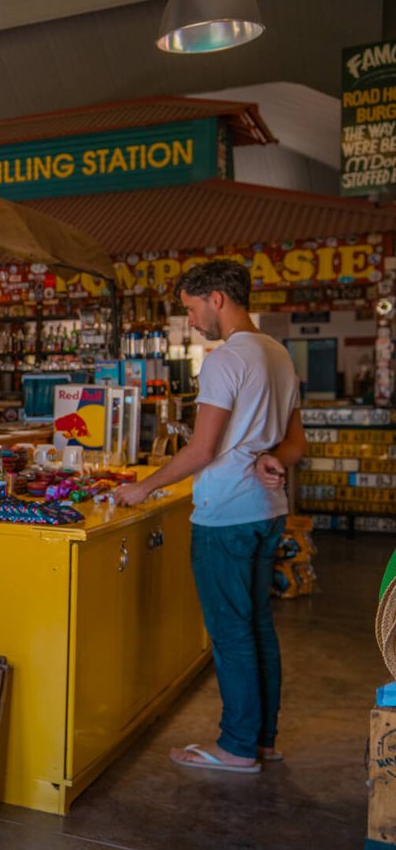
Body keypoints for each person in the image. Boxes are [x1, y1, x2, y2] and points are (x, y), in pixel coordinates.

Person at [112, 260, 306, 774]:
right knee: (258, 626)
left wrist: (145, 487)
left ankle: (237, 747)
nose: (194, 321)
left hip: (225, 516)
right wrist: (273, 459)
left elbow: (202, 450)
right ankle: (261, 740)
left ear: (217, 298)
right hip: (267, 512)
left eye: (193, 309)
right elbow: (295, 443)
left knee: (231, 632)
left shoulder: (226, 361)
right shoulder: (278, 355)